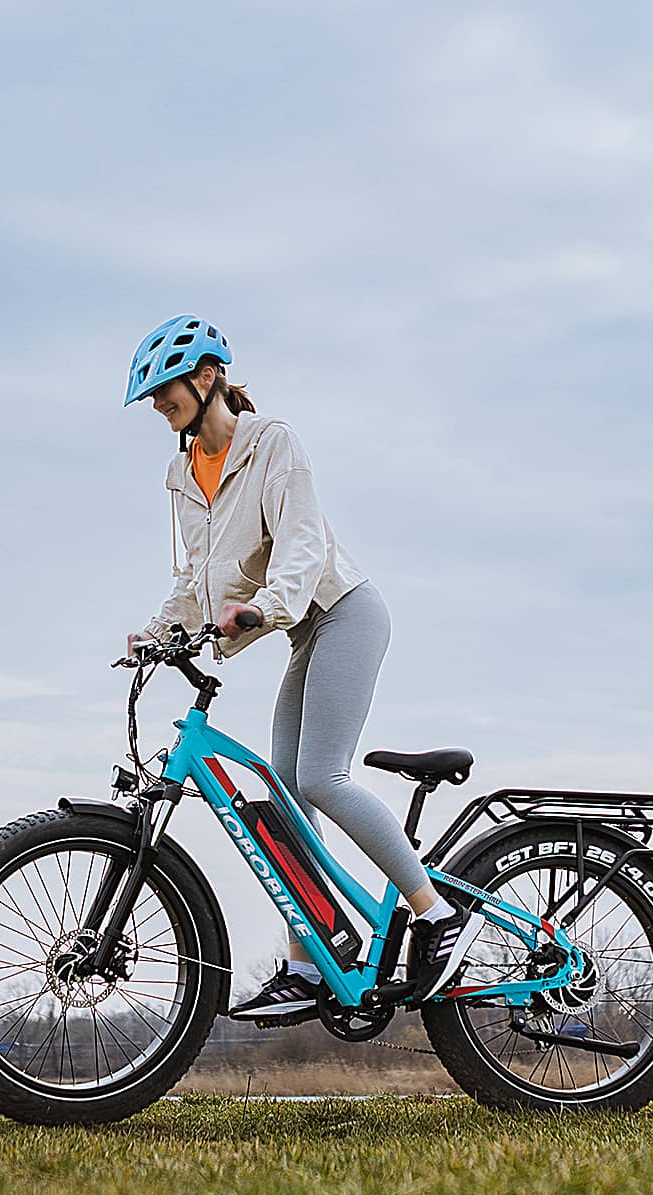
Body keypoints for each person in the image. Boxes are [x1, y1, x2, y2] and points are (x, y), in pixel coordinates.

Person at [122, 314, 481, 1021]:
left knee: (319, 775)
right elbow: (196, 573)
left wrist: (265, 606)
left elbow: (302, 543)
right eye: (153, 398)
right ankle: (308, 965)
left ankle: (438, 914)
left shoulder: (272, 443)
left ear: (207, 378)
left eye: (166, 390)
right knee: (285, 796)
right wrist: (159, 633)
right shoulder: (182, 473)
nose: (159, 406)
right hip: (304, 629)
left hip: (344, 611)